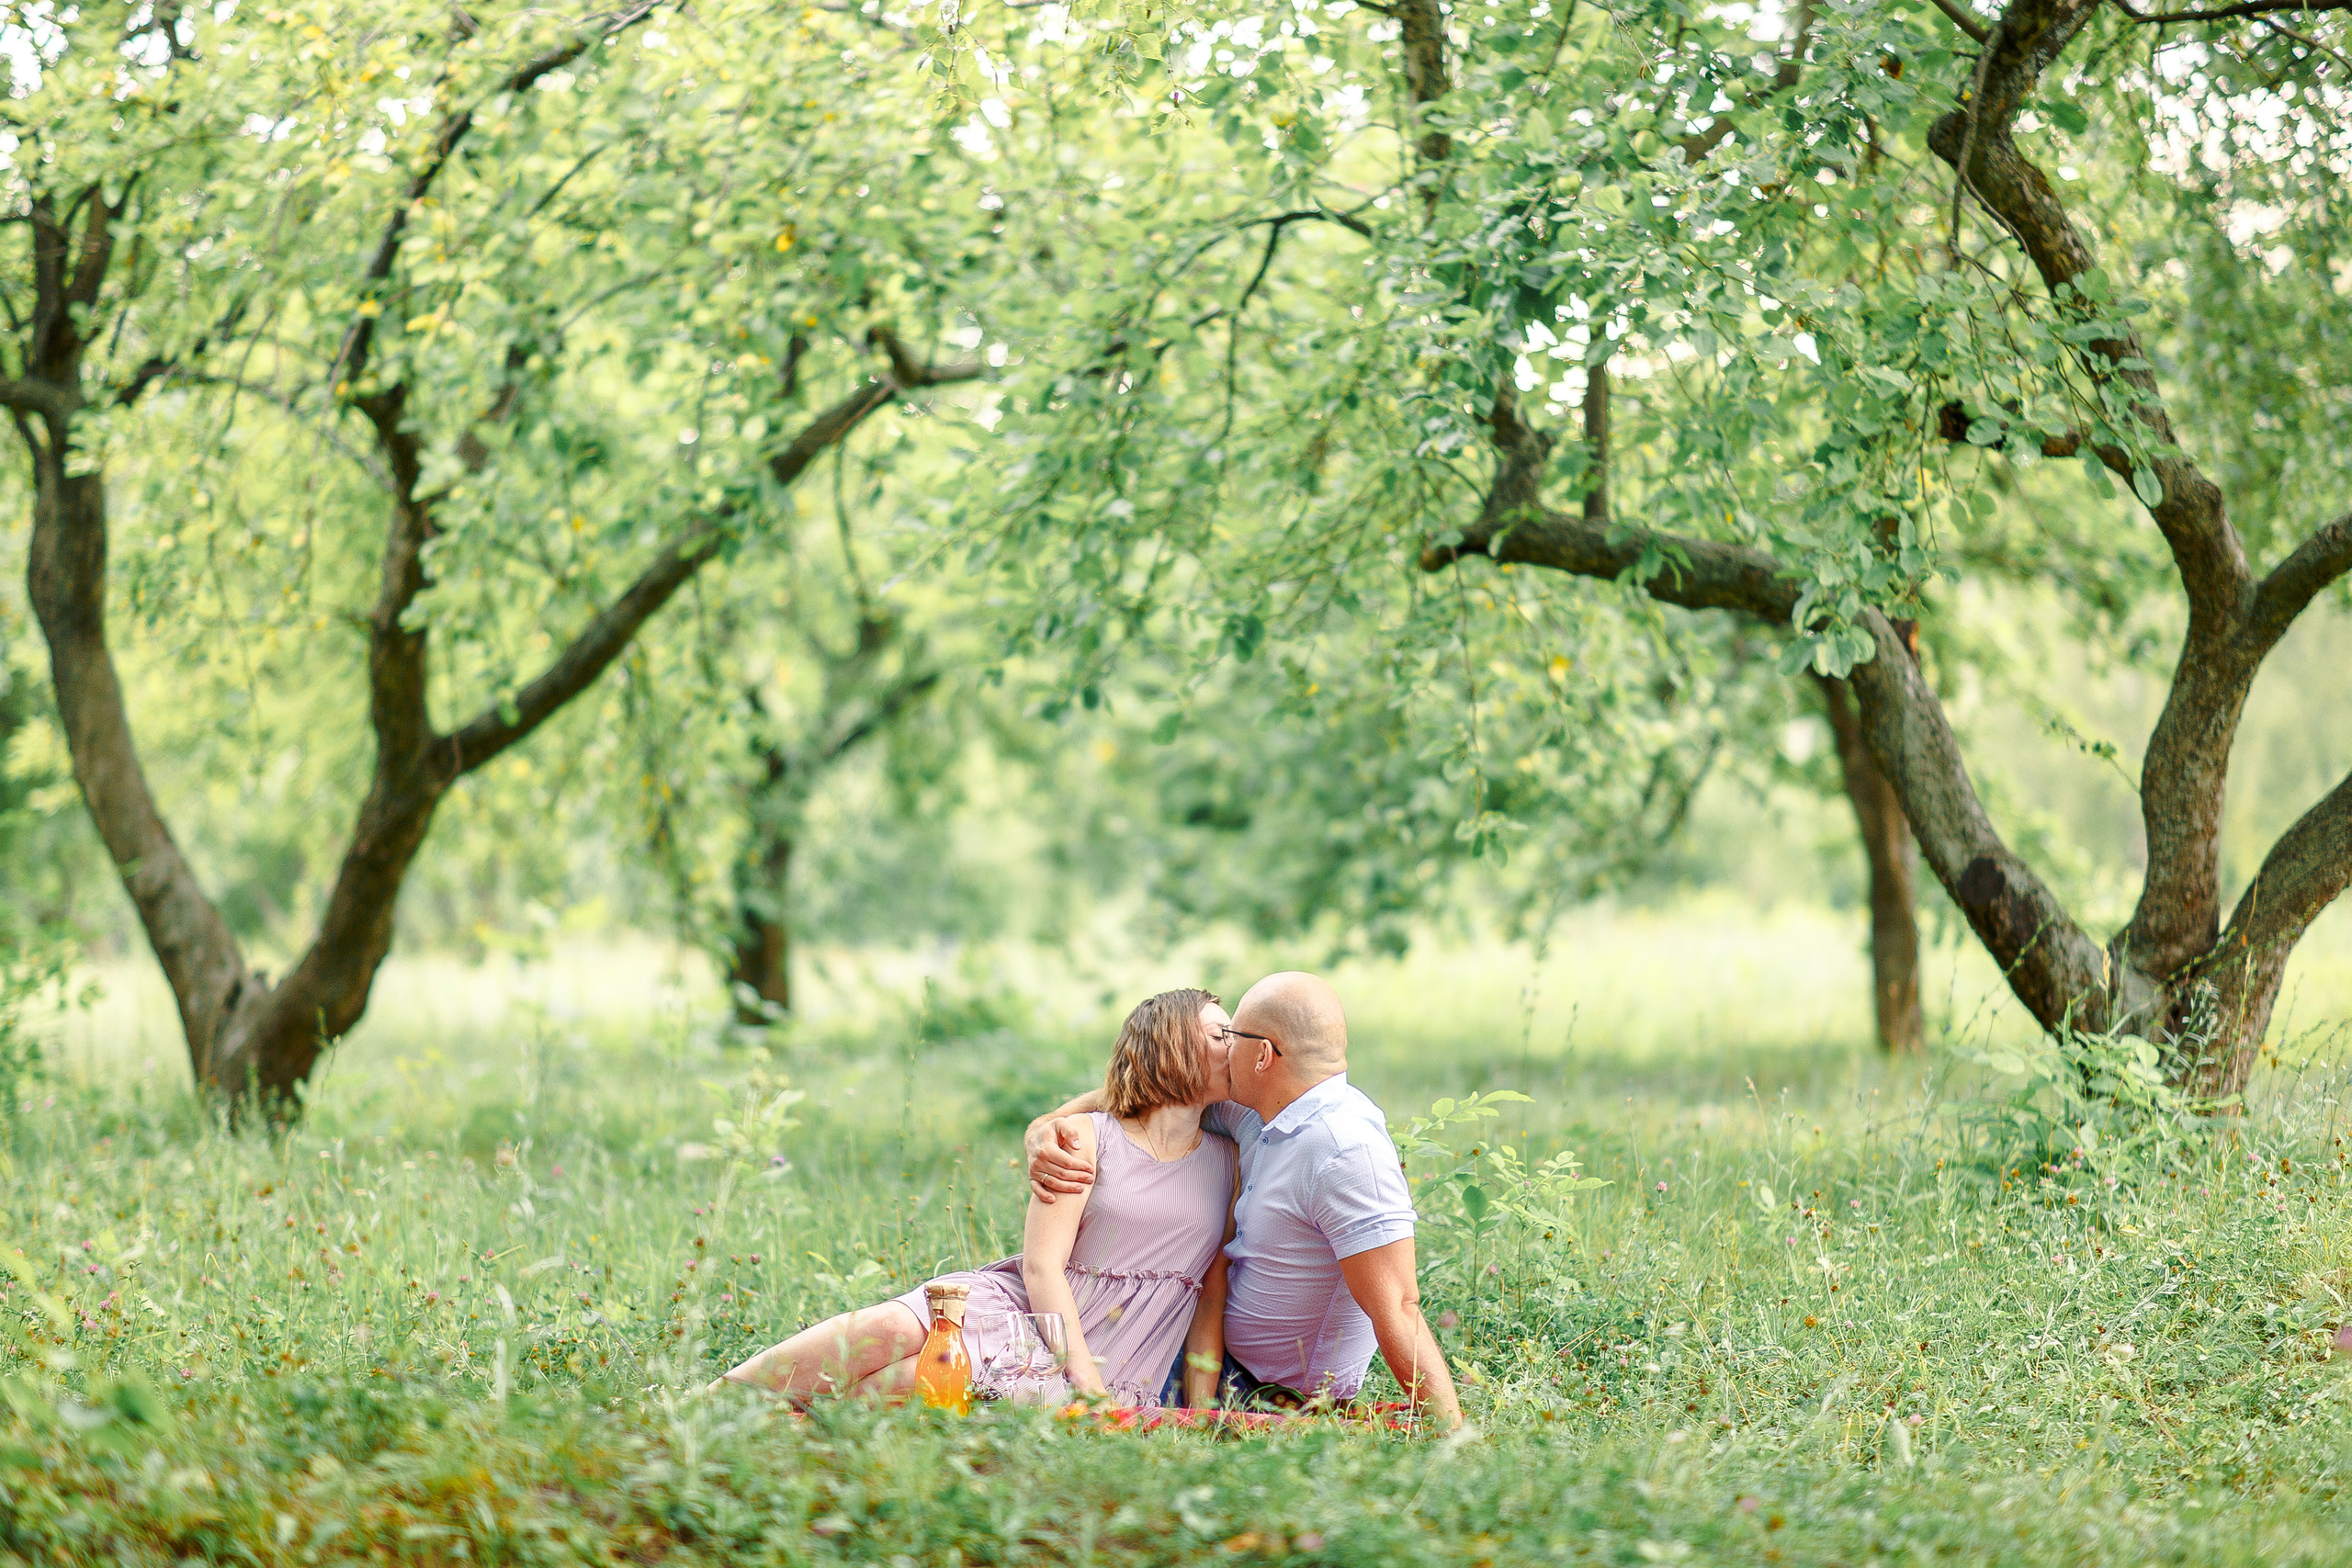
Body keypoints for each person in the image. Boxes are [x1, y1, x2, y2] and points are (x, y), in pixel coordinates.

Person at [713, 988, 1238, 1407]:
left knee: (911, 1381)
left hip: (1120, 1355)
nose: (1235, 1045)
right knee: (891, 1328)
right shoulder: (1083, 1137)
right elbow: (1042, 1268)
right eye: (1220, 1035)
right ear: (1171, 1046)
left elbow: (1210, 1295)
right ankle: (715, 1401)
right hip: (1029, 1312)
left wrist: (1201, 1416)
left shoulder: (1229, 1158)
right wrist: (1083, 1379)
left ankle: (792, 1423)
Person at [1025, 971, 1463, 1430]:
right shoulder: (1256, 1111)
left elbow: (1399, 1305)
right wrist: (1045, 1127)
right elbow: (1161, 1088)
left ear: (1263, 1056)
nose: (1227, 1046)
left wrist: (1451, 1428)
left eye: (1231, 1036)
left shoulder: (1344, 1152)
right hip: (1196, 1351)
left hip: (1271, 1390)